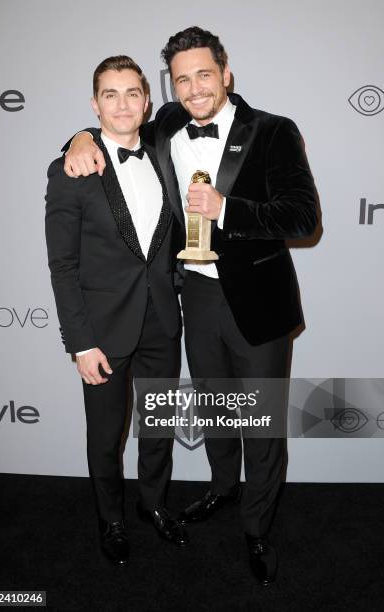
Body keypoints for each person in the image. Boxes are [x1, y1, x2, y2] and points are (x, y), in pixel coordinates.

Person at [63, 27, 318, 585]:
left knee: (260, 424)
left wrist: (229, 208)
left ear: (226, 74)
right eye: (183, 79)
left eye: (205, 74)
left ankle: (257, 528)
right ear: (171, 87)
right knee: (216, 408)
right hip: (194, 297)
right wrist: (78, 139)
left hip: (257, 300)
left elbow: (302, 218)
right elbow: (116, 126)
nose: (195, 87)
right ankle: (223, 487)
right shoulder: (170, 125)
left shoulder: (273, 131)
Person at [45, 55, 188, 566]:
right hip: (101, 332)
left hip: (163, 324)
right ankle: (111, 519)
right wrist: (80, 343)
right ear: (94, 104)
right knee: (105, 439)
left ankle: (155, 505)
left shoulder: (162, 149)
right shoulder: (71, 169)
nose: (123, 104)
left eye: (132, 93)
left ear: (147, 101)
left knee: (158, 428)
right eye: (110, 94)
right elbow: (62, 266)